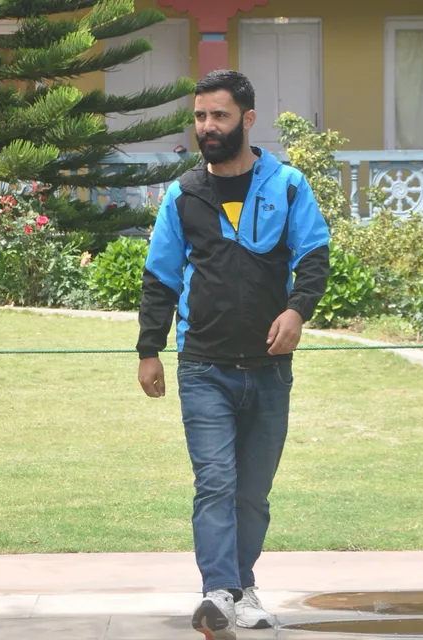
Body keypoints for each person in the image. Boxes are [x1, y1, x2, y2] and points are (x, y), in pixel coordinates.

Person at [136, 69, 330, 640]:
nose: (207, 127)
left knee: (252, 492)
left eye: (218, 116)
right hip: (203, 368)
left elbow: (314, 257)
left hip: (270, 372)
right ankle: (218, 591)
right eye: (200, 116)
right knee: (215, 482)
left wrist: (297, 311)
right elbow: (160, 279)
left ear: (246, 119)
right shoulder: (183, 194)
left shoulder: (289, 185)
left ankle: (241, 589)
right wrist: (150, 350)